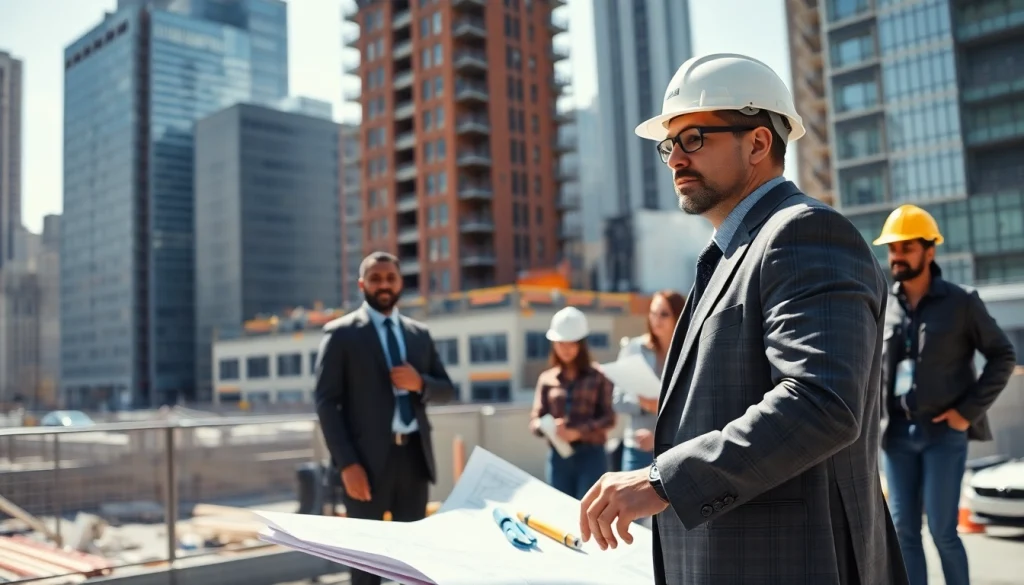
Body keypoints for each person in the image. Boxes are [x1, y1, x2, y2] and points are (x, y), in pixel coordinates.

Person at [577, 53, 908, 585]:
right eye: (670, 145)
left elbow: (821, 403)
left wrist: (664, 482)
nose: (676, 159)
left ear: (757, 143)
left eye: (694, 139)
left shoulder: (803, 233)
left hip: (793, 563)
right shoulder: (736, 252)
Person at [873, 204, 1016, 585]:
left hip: (943, 434)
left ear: (929, 250)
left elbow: (1003, 355)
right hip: (897, 437)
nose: (897, 257)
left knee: (943, 531)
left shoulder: (962, 302)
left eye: (906, 248)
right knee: (903, 531)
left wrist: (965, 413)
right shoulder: (884, 305)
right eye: (893, 249)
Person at [314, 251, 456, 585]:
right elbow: (325, 403)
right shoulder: (341, 334)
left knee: (415, 561)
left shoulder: (418, 334)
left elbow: (447, 389)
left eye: (390, 278)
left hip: (413, 461)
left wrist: (419, 382)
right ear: (362, 284)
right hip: (364, 465)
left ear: (400, 283)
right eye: (375, 279)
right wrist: (347, 465)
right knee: (366, 565)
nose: (383, 285)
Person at [529, 306, 616, 500]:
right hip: (558, 457)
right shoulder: (547, 379)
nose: (566, 349)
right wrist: (547, 427)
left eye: (571, 343)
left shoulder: (598, 376)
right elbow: (535, 419)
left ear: (581, 344)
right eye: (561, 343)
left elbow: (609, 419)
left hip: (591, 456)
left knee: (590, 510)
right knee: (562, 511)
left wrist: (578, 431)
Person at [613, 290, 685, 473]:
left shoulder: (688, 353)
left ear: (679, 316)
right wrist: (644, 403)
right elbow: (617, 400)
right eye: (653, 313)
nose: (656, 319)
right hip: (637, 447)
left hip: (675, 448)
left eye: (664, 314)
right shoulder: (634, 349)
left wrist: (662, 406)